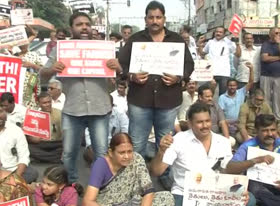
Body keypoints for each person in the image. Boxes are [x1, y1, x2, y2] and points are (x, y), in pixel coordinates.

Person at [40, 12, 122, 183]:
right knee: (69, 152)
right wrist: (52, 68)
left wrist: (117, 69)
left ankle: (100, 184)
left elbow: (112, 85)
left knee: (100, 151)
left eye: (87, 24)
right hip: (72, 110)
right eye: (79, 24)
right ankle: (71, 184)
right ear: (72, 28)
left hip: (100, 109)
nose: (84, 27)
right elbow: (42, 76)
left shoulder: (103, 49)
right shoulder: (60, 50)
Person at [118, 1, 194, 157]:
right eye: (151, 17)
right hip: (140, 100)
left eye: (158, 17)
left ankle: (164, 176)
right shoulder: (135, 39)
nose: (154, 21)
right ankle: (134, 177)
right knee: (137, 142)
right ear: (145, 19)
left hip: (168, 100)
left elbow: (189, 64)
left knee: (165, 142)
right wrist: (132, 76)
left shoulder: (176, 40)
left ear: (164, 19)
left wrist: (178, 77)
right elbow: (121, 65)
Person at [150, 102, 255, 206]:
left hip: (215, 193)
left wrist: (240, 188)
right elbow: (156, 171)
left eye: (207, 121)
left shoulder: (223, 142)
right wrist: (161, 152)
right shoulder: (179, 140)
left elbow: (227, 171)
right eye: (200, 122)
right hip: (185, 195)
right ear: (190, 123)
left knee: (249, 200)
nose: (205, 126)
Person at [81, 133, 174, 206]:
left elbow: (148, 192)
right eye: (121, 153)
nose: (126, 156)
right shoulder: (101, 164)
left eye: (129, 152)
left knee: (167, 197)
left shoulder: (136, 159)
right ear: (110, 152)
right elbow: (87, 202)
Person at [0, 107, 38, 183]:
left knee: (32, 173)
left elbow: (24, 157)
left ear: (5, 112)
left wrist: (15, 179)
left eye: (0, 111)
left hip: (13, 170)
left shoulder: (16, 130)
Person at [260, 27, 280, 120]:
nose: (277, 35)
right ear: (270, 34)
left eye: (279, 33)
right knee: (265, 98)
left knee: (279, 98)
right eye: (275, 33)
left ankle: (278, 118)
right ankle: (266, 116)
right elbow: (265, 58)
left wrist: (279, 43)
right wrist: (279, 58)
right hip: (266, 75)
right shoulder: (265, 44)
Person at [218, 63, 253, 137]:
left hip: (241, 124)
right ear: (227, 86)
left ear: (237, 86)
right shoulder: (222, 97)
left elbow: (251, 82)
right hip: (228, 125)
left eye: (234, 85)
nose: (232, 87)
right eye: (230, 85)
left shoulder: (241, 92)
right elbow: (220, 114)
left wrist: (251, 69)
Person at [27, 92, 63, 163]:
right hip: (42, 143)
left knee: (68, 147)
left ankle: (43, 158)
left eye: (49, 102)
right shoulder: (34, 115)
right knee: (27, 147)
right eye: (44, 103)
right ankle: (54, 159)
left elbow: (66, 133)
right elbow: (31, 137)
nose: (48, 105)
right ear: (39, 104)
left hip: (57, 143)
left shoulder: (60, 113)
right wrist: (32, 139)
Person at [201, 26, 236, 95]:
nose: (218, 33)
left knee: (223, 95)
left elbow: (236, 52)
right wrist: (200, 45)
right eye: (217, 32)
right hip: (211, 73)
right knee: (209, 94)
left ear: (224, 34)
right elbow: (203, 53)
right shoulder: (210, 42)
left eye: (220, 32)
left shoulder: (228, 42)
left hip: (224, 73)